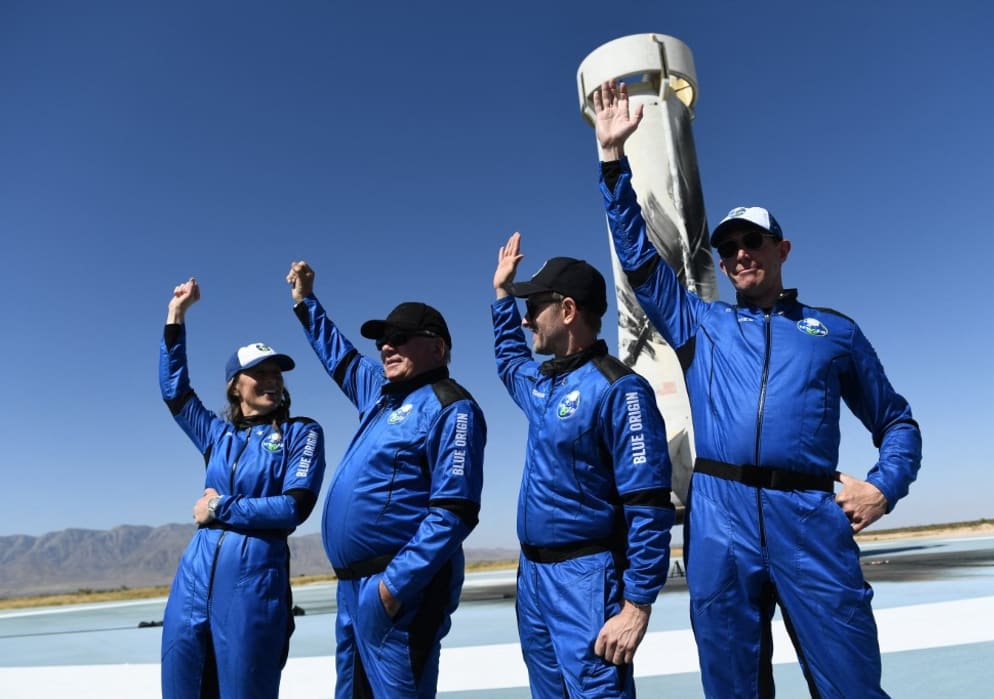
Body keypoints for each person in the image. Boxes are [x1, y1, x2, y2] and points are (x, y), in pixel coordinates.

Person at [591, 80, 922, 697]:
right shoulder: (699, 324)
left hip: (810, 520)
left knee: (852, 684)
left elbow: (896, 421)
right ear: (721, 263)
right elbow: (638, 261)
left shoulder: (834, 333)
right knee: (733, 687)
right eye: (729, 248)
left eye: (753, 241)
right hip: (720, 519)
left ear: (782, 249)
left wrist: (885, 485)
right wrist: (613, 161)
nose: (740, 254)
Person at [286, 261, 486, 699]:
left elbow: (454, 512)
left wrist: (393, 588)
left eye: (400, 338)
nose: (385, 347)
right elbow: (338, 354)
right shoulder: (379, 394)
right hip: (353, 588)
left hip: (400, 589)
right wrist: (305, 302)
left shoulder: (452, 408)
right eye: (382, 340)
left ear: (437, 348)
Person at [491, 233, 675, 698]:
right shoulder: (541, 385)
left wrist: (637, 606)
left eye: (534, 307)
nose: (526, 319)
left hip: (586, 580)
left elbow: (649, 503)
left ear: (568, 310)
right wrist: (501, 295)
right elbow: (510, 359)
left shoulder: (620, 390)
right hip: (533, 579)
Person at [158, 277, 326, 698]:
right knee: (181, 687)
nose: (272, 380)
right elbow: (175, 391)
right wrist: (176, 315)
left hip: (254, 584)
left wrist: (219, 508)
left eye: (276, 373)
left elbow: (292, 508)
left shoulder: (302, 433)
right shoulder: (216, 435)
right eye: (260, 373)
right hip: (193, 579)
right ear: (236, 385)